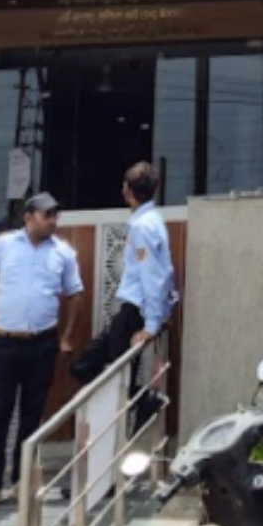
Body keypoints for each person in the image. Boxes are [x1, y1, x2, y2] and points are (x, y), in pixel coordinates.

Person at [0, 191, 84, 516]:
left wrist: (67, 337)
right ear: (28, 217)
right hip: (6, 342)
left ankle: (22, 482)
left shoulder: (62, 252)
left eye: (55, 215)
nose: (53, 221)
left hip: (42, 342)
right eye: (47, 215)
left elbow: (75, 293)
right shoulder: (3, 245)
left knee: (32, 415)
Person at [70, 160, 177, 387]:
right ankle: (140, 401)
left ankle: (145, 402)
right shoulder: (153, 221)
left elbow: (152, 275)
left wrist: (151, 325)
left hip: (135, 312)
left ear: (127, 190)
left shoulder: (142, 226)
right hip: (133, 311)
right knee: (85, 367)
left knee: (119, 378)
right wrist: (165, 311)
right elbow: (166, 271)